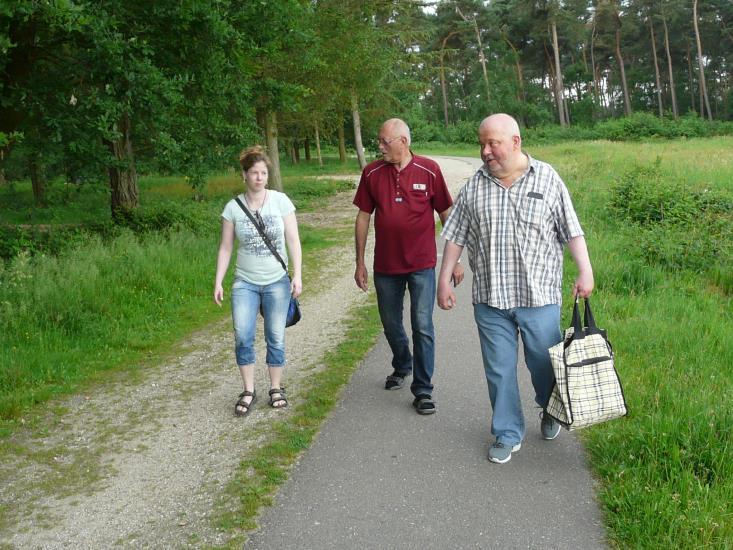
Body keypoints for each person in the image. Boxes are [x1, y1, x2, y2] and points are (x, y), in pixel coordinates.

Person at [437, 113, 594, 463]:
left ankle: (549, 407)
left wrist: (586, 271)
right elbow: (454, 236)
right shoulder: (475, 185)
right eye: (481, 144)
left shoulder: (548, 179)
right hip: (491, 300)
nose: (486, 151)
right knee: (499, 370)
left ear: (516, 141)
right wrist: (443, 279)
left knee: (543, 365)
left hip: (538, 299)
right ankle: (507, 432)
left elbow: (572, 230)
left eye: (493, 143)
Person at [353, 118, 464, 415]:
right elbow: (363, 216)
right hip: (386, 266)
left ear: (403, 141)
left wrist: (454, 262)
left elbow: (445, 213)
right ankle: (403, 363)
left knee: (422, 325)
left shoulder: (429, 170)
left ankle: (423, 390)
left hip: (422, 264)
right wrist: (359, 261)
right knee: (391, 324)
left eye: (384, 141)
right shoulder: (372, 172)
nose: (379, 146)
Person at [214, 145, 302, 416]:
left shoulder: (281, 201)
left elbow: (293, 240)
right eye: (254, 173)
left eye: (263, 173)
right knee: (243, 336)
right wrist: (218, 281)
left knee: (275, 336)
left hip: (276, 281)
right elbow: (226, 247)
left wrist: (297, 274)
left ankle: (276, 387)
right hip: (245, 282)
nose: (259, 178)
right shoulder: (233, 208)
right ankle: (249, 389)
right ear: (245, 175)